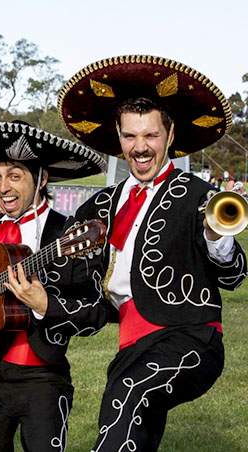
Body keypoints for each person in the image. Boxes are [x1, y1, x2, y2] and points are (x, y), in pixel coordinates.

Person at [57, 54, 247, 451]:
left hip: (190, 337)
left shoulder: (200, 196)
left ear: (170, 135)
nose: (140, 148)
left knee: (128, 397)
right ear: (118, 137)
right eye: (130, 136)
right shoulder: (99, 206)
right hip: (132, 345)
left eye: (151, 135)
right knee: (130, 428)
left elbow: (232, 275)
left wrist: (216, 237)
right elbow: (76, 280)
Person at [0, 120, 109, 452]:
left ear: (41, 179)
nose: (2, 188)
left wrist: (44, 305)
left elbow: (96, 312)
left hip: (43, 380)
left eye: (14, 175)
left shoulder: (69, 234)